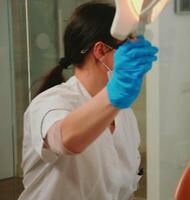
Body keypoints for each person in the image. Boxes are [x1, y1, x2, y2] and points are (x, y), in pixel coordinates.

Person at [19, 2, 158, 200]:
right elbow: (65, 140)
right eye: (127, 47)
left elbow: (126, 191)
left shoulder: (123, 113)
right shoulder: (51, 102)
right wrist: (115, 92)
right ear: (100, 51)